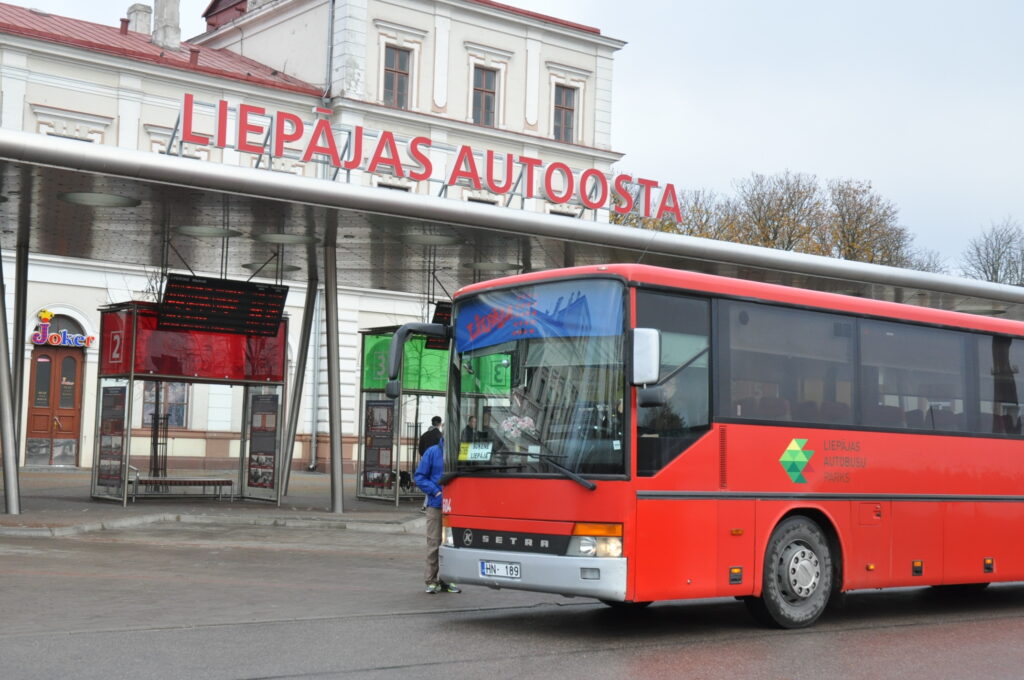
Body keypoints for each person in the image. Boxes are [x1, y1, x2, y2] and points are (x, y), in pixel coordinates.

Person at [414, 436, 461, 594]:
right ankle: (431, 580)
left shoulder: (459, 452)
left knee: (452, 544)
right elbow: (419, 477)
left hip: (454, 506)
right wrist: (436, 491)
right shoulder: (433, 452)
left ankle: (448, 580)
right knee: (434, 543)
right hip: (436, 505)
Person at [417, 416, 443, 510]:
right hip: (436, 463)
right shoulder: (439, 435)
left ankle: (425, 504)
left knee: (426, 482)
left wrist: (425, 456)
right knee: (433, 483)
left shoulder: (424, 435)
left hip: (425, 461)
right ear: (439, 424)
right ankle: (426, 504)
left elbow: (420, 450)